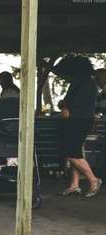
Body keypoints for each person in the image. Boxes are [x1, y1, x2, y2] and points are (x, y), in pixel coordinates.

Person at [53, 56, 101, 198]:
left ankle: (93, 179)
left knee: (71, 153)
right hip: (81, 120)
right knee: (75, 152)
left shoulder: (84, 83)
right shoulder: (83, 82)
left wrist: (64, 106)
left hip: (79, 120)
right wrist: (64, 105)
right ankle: (74, 185)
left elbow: (71, 104)